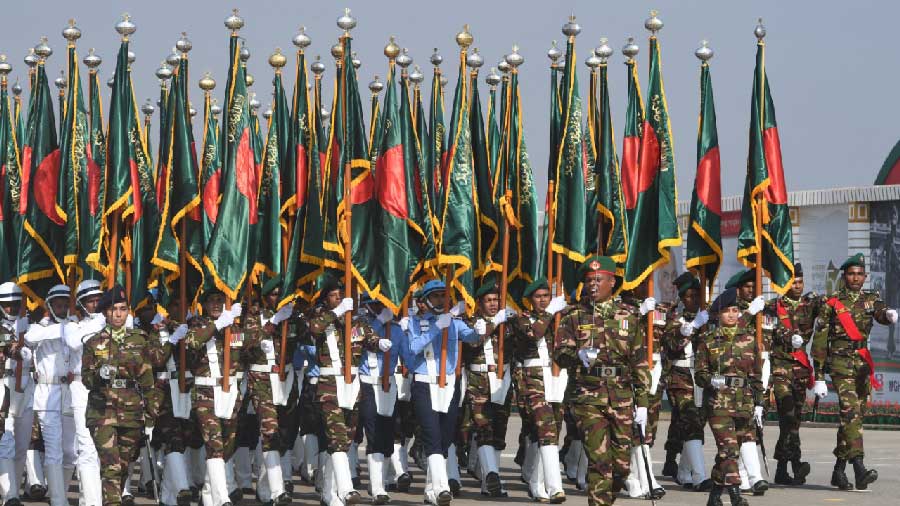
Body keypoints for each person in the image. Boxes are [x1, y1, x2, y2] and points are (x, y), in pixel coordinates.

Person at [552, 256, 650, 506]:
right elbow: (560, 354)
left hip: (621, 396)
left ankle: (606, 499)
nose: (593, 285)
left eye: (598, 280)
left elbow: (639, 361)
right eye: (588, 281)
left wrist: (643, 403)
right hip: (588, 395)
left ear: (612, 281)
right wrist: (578, 355)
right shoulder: (574, 316)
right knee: (599, 462)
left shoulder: (628, 315)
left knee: (621, 467)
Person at [812, 253, 898, 490]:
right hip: (840, 365)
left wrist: (888, 316)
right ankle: (859, 468)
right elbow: (819, 341)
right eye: (851, 274)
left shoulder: (871, 298)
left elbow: (880, 312)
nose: (855, 278)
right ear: (844, 276)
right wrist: (818, 376)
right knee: (850, 413)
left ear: (865, 276)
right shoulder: (831, 303)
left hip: (862, 365)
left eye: (860, 274)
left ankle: (838, 471)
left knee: (854, 417)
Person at [81, 285, 161, 506]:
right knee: (111, 466)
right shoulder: (93, 342)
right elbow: (86, 379)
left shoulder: (139, 340)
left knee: (124, 465)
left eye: (123, 309)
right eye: (114, 309)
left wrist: (151, 415)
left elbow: (147, 380)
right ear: (105, 312)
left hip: (132, 411)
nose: (118, 314)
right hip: (102, 411)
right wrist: (99, 374)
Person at [405, 280, 483, 506]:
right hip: (424, 383)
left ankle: (431, 489)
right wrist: (437, 326)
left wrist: (480, 330)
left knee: (446, 436)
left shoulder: (454, 323)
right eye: (436, 296)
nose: (441, 300)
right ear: (426, 300)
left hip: (449, 384)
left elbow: (471, 338)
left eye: (444, 296)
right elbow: (413, 348)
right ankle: (441, 488)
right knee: (431, 434)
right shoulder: (414, 322)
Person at [307, 274, 378, 506]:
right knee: (337, 437)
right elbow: (315, 329)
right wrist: (337, 313)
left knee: (343, 440)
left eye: (342, 296)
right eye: (334, 296)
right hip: (329, 385)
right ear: (326, 299)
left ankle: (329, 493)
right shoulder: (321, 317)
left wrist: (381, 344)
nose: (339, 299)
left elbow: (371, 339)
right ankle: (347, 490)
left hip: (353, 386)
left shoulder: (357, 323)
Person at [694, 288, 763, 506]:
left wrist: (760, 404)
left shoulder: (750, 340)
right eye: (727, 311)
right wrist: (710, 380)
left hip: (744, 403)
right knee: (729, 448)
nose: (732, 315)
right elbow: (700, 374)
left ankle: (715, 495)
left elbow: (756, 375)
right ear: (718, 315)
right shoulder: (709, 341)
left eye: (735, 311)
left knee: (729, 452)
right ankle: (734, 494)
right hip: (719, 404)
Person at [179, 288, 244, 506]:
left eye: (220, 300)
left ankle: (208, 493)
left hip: (230, 392)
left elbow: (252, 348)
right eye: (212, 301)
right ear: (204, 305)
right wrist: (218, 324)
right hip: (205, 393)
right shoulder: (197, 324)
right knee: (214, 443)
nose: (216, 305)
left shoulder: (236, 325)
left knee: (227, 445)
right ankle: (221, 497)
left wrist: (248, 320)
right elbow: (192, 342)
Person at [508, 277, 567, 503]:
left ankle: (536, 482)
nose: (543, 300)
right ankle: (555, 487)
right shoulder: (521, 320)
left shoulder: (558, 318)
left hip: (556, 376)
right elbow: (534, 334)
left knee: (550, 429)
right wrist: (550, 312)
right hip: (532, 379)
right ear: (530, 300)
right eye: (538, 297)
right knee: (547, 428)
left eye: (546, 296)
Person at [23, 285, 78, 506]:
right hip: (48, 394)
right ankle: (58, 500)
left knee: (71, 451)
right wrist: (62, 329)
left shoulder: (75, 326)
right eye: (59, 305)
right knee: (53, 448)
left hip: (71, 393)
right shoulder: (39, 328)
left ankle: (61, 492)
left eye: (66, 304)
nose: (63, 308)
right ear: (50, 306)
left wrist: (71, 327)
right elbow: (30, 338)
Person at [766, 263, 818, 486]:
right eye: (792, 282)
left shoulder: (810, 305)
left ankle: (783, 468)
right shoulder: (773, 306)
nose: (797, 286)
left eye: (800, 282)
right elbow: (766, 331)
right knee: (787, 414)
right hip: (780, 367)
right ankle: (793, 463)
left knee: (794, 421)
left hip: (800, 369)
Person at [660, 272, 712, 492]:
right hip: (679, 376)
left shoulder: (709, 317)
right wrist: (688, 330)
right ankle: (700, 477)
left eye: (697, 295)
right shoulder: (673, 317)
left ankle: (684, 472)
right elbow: (671, 346)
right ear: (682, 298)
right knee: (691, 422)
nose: (693, 300)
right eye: (689, 296)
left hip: (701, 377)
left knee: (696, 423)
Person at [461, 275, 512, 498]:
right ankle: (491, 474)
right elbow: (473, 342)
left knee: (499, 431)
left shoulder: (508, 322)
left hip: (502, 380)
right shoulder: (474, 322)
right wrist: (494, 323)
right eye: (489, 300)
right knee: (483, 428)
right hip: (478, 380)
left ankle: (490, 481)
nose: (493, 304)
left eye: (496, 300)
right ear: (480, 303)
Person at [722, 270, 768, 495]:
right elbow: (728, 331)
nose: (751, 290)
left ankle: (748, 475)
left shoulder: (761, 307)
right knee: (733, 432)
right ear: (738, 289)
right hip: (730, 376)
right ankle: (749, 476)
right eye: (748, 287)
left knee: (751, 425)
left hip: (755, 369)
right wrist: (749, 313)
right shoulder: (734, 309)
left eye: (754, 286)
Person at [356, 294, 402, 504]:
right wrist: (378, 322)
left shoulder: (397, 329)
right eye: (375, 304)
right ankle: (377, 488)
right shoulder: (357, 323)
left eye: (383, 304)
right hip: (366, 382)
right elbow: (356, 338)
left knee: (385, 435)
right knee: (372, 433)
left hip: (388, 384)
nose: (379, 307)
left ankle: (380, 483)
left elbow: (410, 354)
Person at [0, 283, 33, 506]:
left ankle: (15, 490)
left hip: (27, 385)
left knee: (22, 445)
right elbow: (9, 348)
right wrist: (15, 348)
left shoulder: (31, 324)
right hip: (4, 385)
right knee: (6, 441)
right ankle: (9, 494)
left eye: (15, 304)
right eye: (6, 304)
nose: (11, 308)